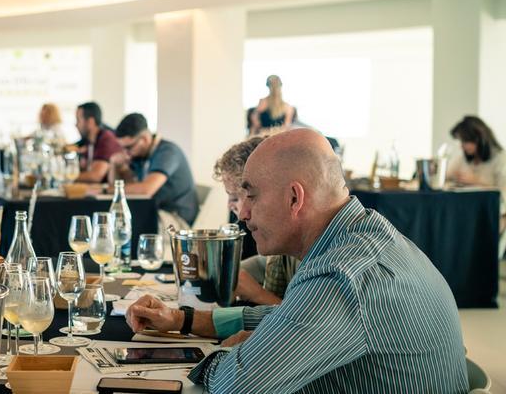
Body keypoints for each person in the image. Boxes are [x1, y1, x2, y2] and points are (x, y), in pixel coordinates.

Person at [126, 129, 468, 393]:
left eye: (251, 195)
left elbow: (237, 385)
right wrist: (183, 319)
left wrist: (228, 353)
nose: (243, 212)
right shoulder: (363, 236)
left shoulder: (341, 275)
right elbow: (288, 316)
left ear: (294, 198)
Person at [213, 136, 300, 305]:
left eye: (235, 197)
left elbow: (301, 323)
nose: (240, 214)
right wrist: (227, 272)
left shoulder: (308, 251)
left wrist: (257, 294)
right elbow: (262, 264)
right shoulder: (279, 251)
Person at [111, 113, 198, 230]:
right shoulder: (141, 156)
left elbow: (146, 190)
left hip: (176, 219)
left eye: (129, 147)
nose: (126, 153)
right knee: (115, 220)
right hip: (155, 213)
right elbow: (125, 185)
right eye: (123, 148)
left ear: (145, 139)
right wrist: (114, 165)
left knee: (124, 226)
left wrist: (105, 190)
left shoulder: (167, 152)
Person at [447, 115, 506, 240]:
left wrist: (477, 182)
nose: (462, 146)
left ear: (479, 139)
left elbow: (504, 194)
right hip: (467, 211)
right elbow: (445, 175)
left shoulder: (501, 158)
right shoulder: (463, 158)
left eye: (465, 141)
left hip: (490, 214)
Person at [73, 102, 122, 183]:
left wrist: (66, 176)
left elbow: (95, 176)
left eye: (78, 120)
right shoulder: (87, 141)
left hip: (105, 193)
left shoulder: (107, 139)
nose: (76, 124)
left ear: (90, 122)